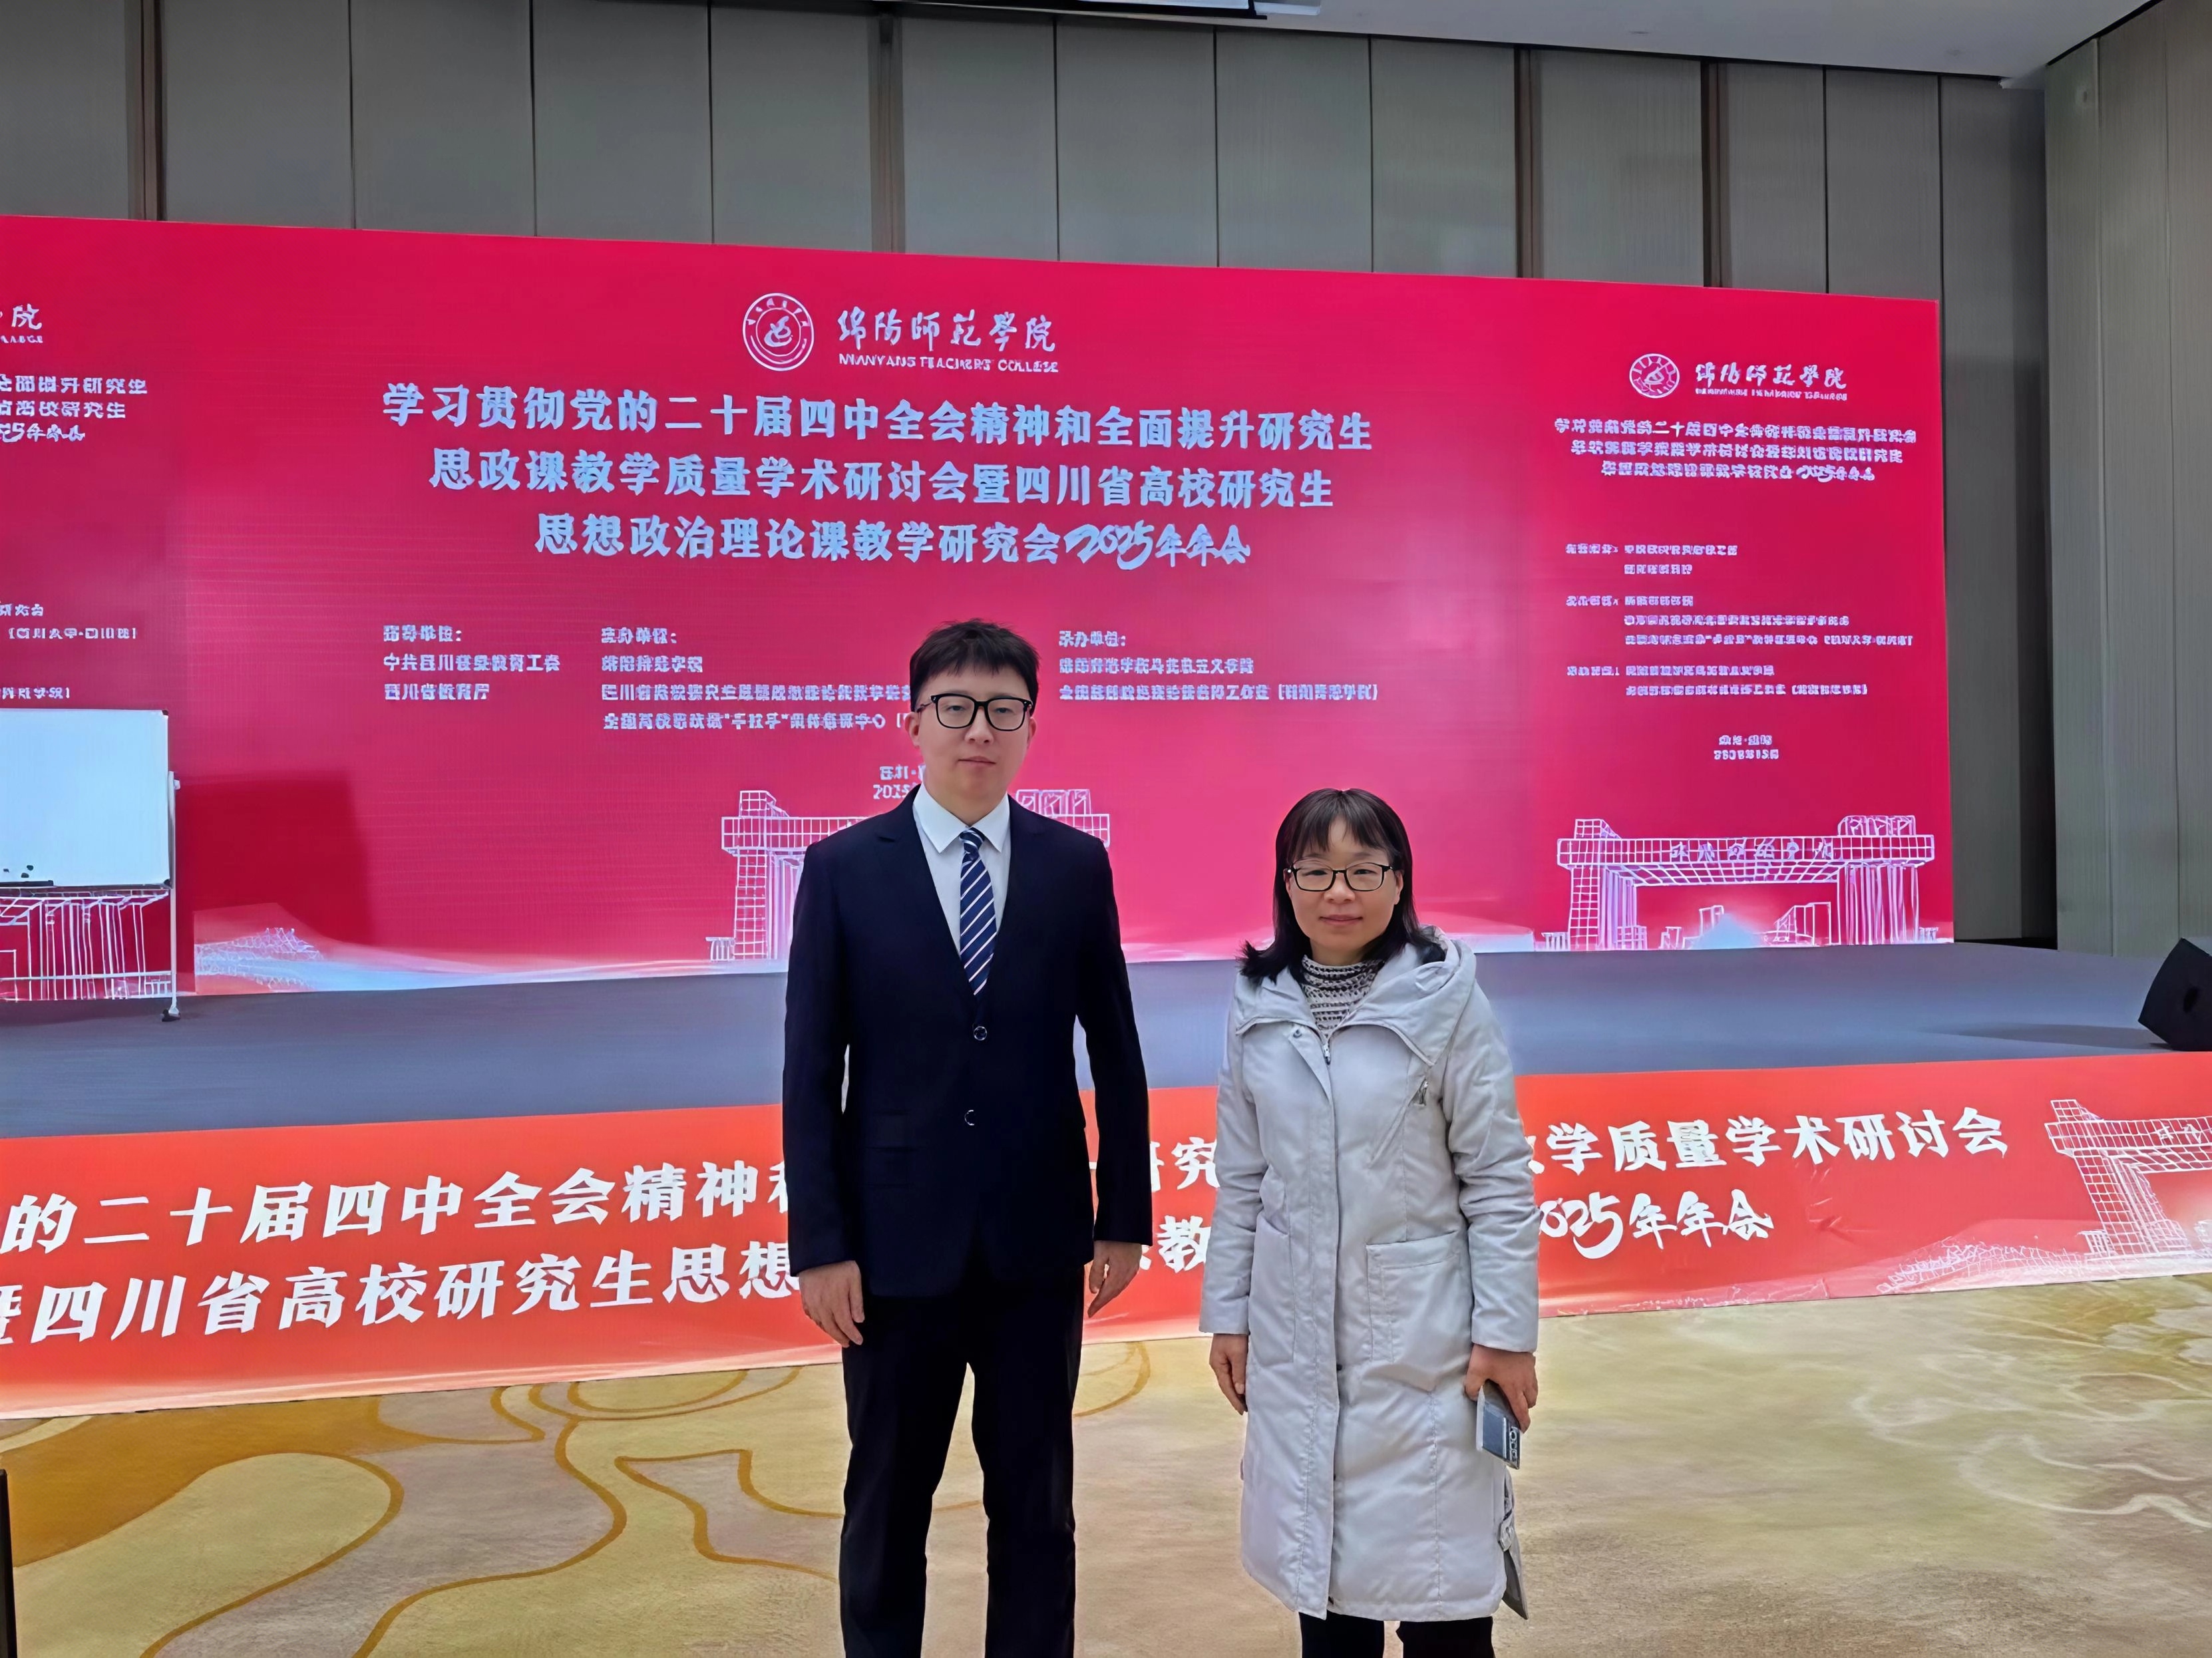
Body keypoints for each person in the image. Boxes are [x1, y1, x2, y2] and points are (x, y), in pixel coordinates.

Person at [782, 617, 1153, 1658]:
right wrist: (820, 1245)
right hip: (892, 1250)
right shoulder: (844, 869)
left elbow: (1115, 1050)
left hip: (1038, 1244)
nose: (978, 729)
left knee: (1036, 1505)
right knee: (886, 1501)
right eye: (955, 707)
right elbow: (810, 1072)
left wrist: (1123, 1216)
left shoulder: (1075, 866)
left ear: (1031, 728)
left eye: (1003, 709)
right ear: (913, 723)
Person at [1200, 788, 1539, 1658]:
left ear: (1399, 882)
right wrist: (1229, 1316)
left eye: (1363, 871)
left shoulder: (1446, 999)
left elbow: (1496, 1178)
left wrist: (1506, 1336)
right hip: (1295, 1336)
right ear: (1287, 884)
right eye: (1315, 871)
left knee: (1444, 1609)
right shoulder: (1257, 1001)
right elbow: (1243, 1178)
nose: (1339, 893)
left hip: (1428, 1342)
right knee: (1326, 1601)